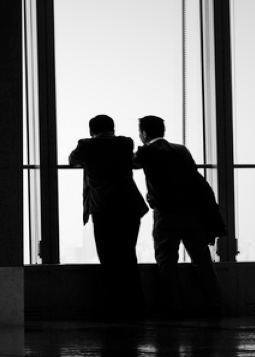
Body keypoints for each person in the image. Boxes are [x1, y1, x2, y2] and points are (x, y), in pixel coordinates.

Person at [134, 115, 224, 313]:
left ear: (144, 133)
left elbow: (129, 163)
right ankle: (215, 304)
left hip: (166, 215)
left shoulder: (146, 151)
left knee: (167, 262)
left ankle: (174, 307)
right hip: (193, 214)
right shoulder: (182, 150)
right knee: (202, 261)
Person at [67, 115, 148, 315]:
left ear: (91, 131)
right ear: (113, 128)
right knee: (128, 255)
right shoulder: (125, 142)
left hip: (103, 208)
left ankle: (115, 306)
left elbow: (72, 160)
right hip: (129, 206)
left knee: (108, 258)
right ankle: (135, 305)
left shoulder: (86, 145)